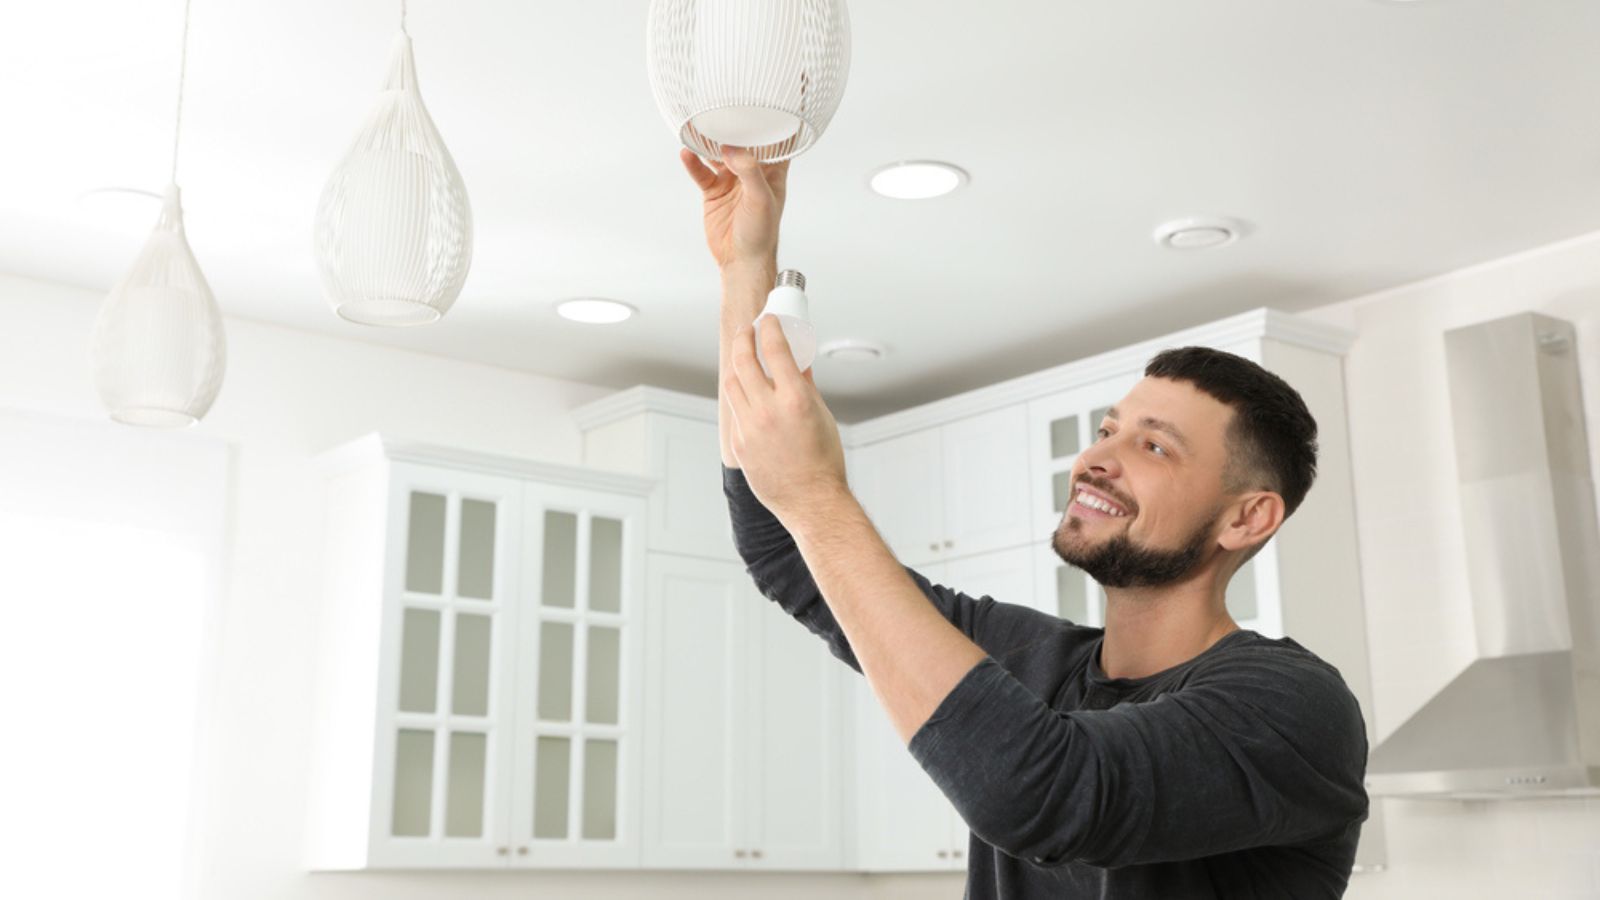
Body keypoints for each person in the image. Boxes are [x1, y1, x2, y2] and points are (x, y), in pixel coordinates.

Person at [679, 144, 1369, 899]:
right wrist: (747, 266)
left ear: (1247, 518)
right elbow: (783, 548)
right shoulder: (1031, 658)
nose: (1096, 459)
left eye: (1153, 446)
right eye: (1107, 430)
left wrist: (819, 493)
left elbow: (1043, 794)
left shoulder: (1291, 706)